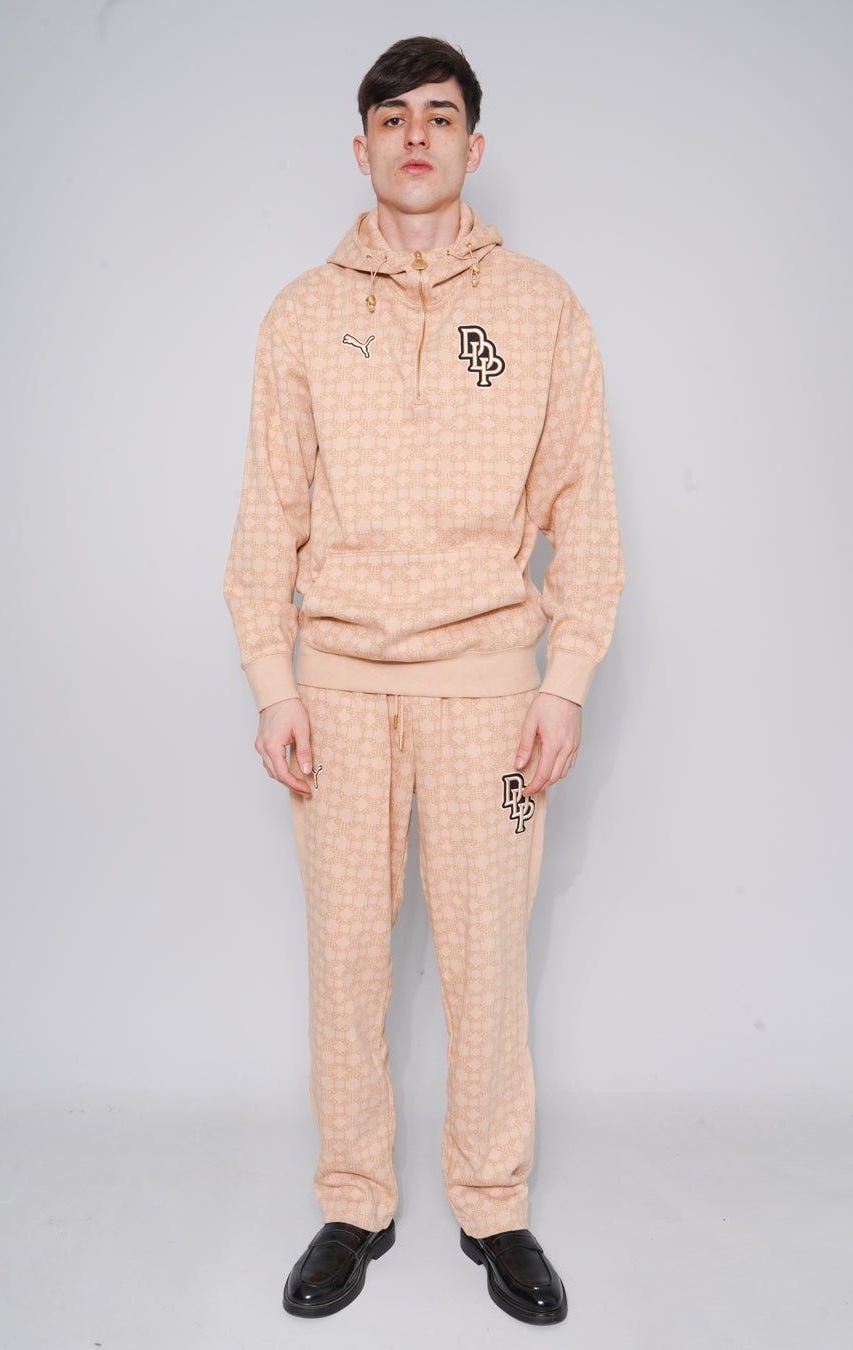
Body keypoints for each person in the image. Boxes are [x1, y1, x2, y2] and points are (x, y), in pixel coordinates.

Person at [224, 35, 624, 1326]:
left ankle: (493, 1204)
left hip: (490, 692)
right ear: (361, 149)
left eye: (439, 117)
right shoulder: (301, 313)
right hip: (337, 687)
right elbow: (266, 514)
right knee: (346, 957)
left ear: (473, 146)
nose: (415, 137)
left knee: (487, 956)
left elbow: (587, 508)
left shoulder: (541, 309)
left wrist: (564, 680)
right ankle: (354, 1199)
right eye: (393, 118)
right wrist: (272, 678)